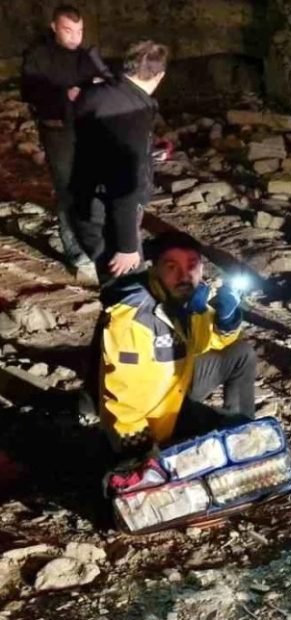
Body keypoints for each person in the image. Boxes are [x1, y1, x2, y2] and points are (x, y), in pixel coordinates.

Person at [98, 231, 254, 455]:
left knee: (241, 353)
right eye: (172, 267)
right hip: (152, 420)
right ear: (155, 269)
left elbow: (203, 345)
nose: (184, 275)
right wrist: (143, 453)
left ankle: (244, 441)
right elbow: (123, 401)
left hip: (176, 390)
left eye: (192, 265)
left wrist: (226, 321)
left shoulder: (186, 300)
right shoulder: (133, 318)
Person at [20, 4, 111, 279]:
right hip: (57, 130)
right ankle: (74, 249)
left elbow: (109, 81)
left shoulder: (87, 55)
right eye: (68, 31)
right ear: (54, 27)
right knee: (67, 188)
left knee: (95, 184)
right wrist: (63, 95)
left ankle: (98, 238)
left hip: (88, 130)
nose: (75, 37)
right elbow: (30, 91)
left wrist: (99, 86)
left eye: (79, 30)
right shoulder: (38, 56)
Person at [70, 40, 168, 286]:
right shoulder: (132, 115)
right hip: (106, 211)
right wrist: (127, 246)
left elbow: (101, 141)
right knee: (126, 287)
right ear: (160, 76)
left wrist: (147, 152)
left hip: (85, 198)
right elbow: (124, 185)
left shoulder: (95, 94)